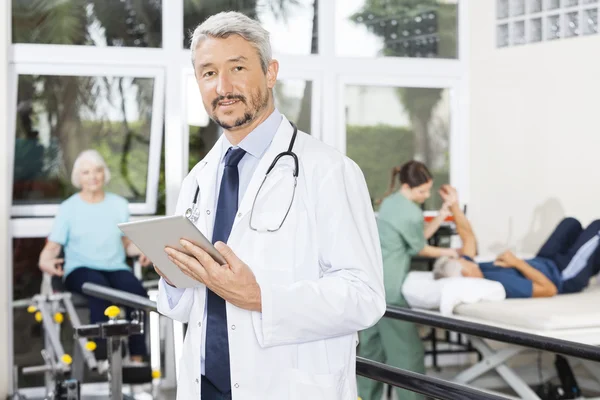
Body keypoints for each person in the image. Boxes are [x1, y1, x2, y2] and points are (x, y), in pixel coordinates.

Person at [154, 11, 385, 400]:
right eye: (208, 73)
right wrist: (176, 278)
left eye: (238, 67)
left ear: (271, 72)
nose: (222, 86)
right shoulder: (198, 179)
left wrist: (261, 297)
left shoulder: (328, 170)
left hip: (288, 387)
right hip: (204, 385)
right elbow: (186, 306)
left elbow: (365, 296)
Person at [38, 149, 152, 362]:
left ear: (104, 174)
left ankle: (137, 357)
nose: (93, 177)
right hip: (80, 269)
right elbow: (53, 247)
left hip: (115, 267)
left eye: (97, 170)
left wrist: (145, 250)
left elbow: (126, 244)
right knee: (100, 289)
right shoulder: (68, 208)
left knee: (137, 293)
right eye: (86, 172)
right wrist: (44, 261)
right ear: (77, 177)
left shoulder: (119, 205)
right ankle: (103, 355)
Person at [357, 160, 456, 400]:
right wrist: (450, 253)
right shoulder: (411, 211)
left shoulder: (390, 203)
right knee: (406, 353)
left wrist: (441, 216)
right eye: (422, 191)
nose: (426, 195)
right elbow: (421, 248)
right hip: (392, 288)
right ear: (408, 186)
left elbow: (415, 238)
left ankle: (360, 396)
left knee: (371, 352)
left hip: (372, 282)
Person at [433, 186, 600, 298]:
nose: (463, 256)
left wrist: (453, 204)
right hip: (562, 276)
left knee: (570, 223)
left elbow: (468, 237)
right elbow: (550, 289)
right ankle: (586, 271)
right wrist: (516, 263)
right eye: (460, 259)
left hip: (544, 261)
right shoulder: (498, 284)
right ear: (467, 274)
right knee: (597, 228)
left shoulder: (474, 269)